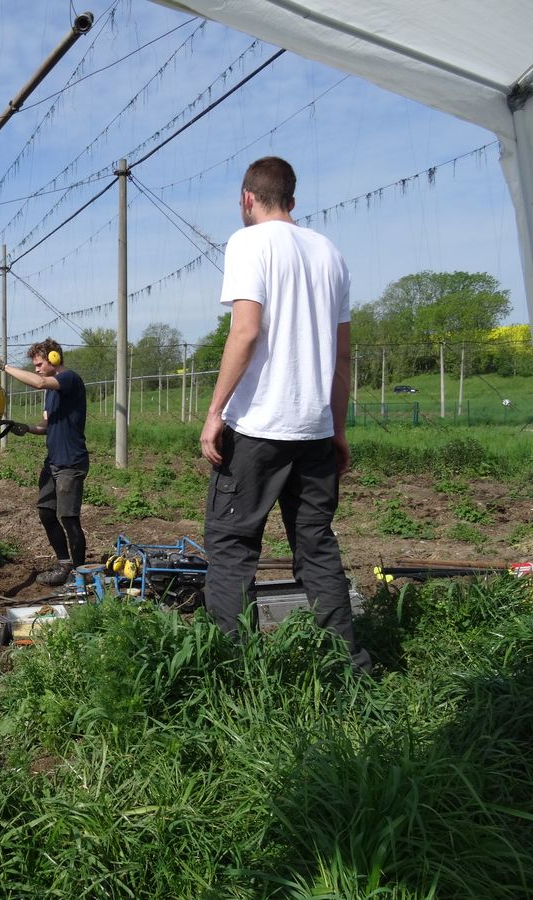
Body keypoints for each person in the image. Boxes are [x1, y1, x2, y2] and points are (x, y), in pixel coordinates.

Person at [200, 156, 371, 673]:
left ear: (247, 199)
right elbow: (342, 357)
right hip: (315, 429)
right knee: (316, 547)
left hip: (256, 428)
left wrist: (215, 413)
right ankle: (346, 667)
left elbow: (246, 331)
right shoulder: (330, 254)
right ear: (292, 200)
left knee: (231, 547)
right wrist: (337, 430)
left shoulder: (247, 242)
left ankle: (235, 669)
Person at [0, 339, 88, 586]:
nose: (36, 368)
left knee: (69, 518)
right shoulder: (51, 392)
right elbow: (46, 427)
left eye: (39, 363)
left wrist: (4, 367)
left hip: (71, 462)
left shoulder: (69, 379)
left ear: (54, 358)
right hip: (53, 461)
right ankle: (64, 563)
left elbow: (38, 382)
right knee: (46, 512)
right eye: (34, 365)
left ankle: (80, 575)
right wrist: (25, 428)